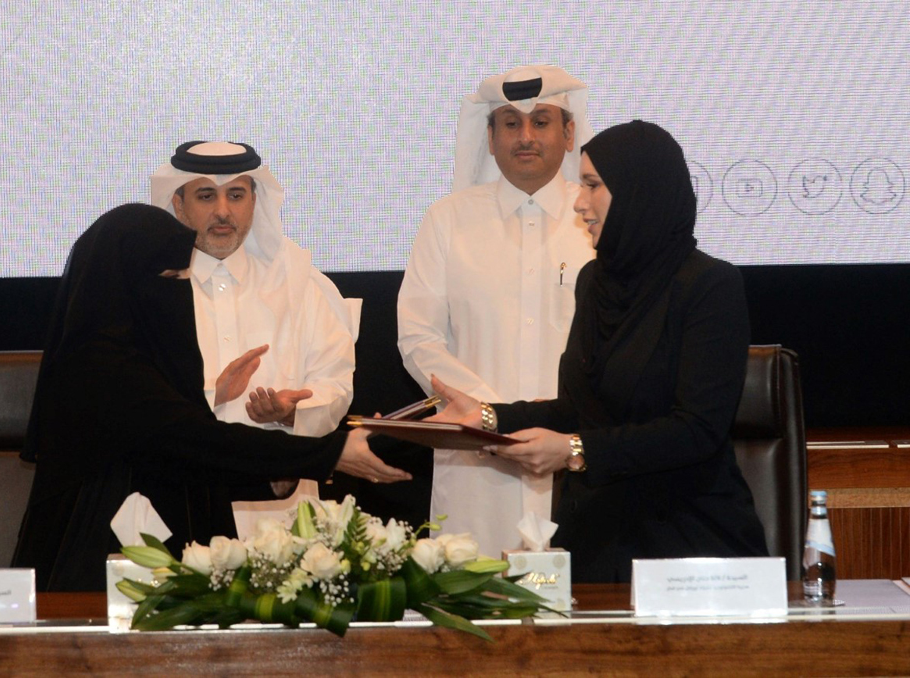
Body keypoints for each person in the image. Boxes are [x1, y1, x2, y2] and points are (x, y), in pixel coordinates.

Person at [431, 120, 769, 582]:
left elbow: (696, 430)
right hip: (599, 538)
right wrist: (488, 418)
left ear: (637, 192)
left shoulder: (709, 286)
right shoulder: (594, 281)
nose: (579, 201)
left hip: (689, 546)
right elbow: (579, 409)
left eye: (593, 185)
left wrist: (575, 449)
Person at [11, 204, 409, 591]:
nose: (179, 291)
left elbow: (179, 465)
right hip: (92, 574)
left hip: (152, 566)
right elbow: (195, 441)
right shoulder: (100, 363)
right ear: (123, 283)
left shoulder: (142, 356)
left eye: (183, 277)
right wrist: (329, 453)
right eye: (169, 277)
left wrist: (273, 479)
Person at [397, 65, 595, 557]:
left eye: (541, 121)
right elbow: (419, 337)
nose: (525, 136)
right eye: (510, 123)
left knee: (586, 598)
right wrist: (490, 416)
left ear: (569, 134)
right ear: (489, 138)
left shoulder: (596, 217)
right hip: (477, 460)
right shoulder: (447, 219)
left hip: (577, 452)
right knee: (473, 597)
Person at [150, 141, 358, 535]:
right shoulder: (153, 290)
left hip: (285, 514)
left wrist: (292, 412)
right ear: (178, 205)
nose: (223, 211)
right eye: (206, 195)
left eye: (236, 195)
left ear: (254, 201)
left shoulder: (300, 282)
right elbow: (136, 406)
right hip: (182, 506)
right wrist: (212, 395)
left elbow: (336, 382)